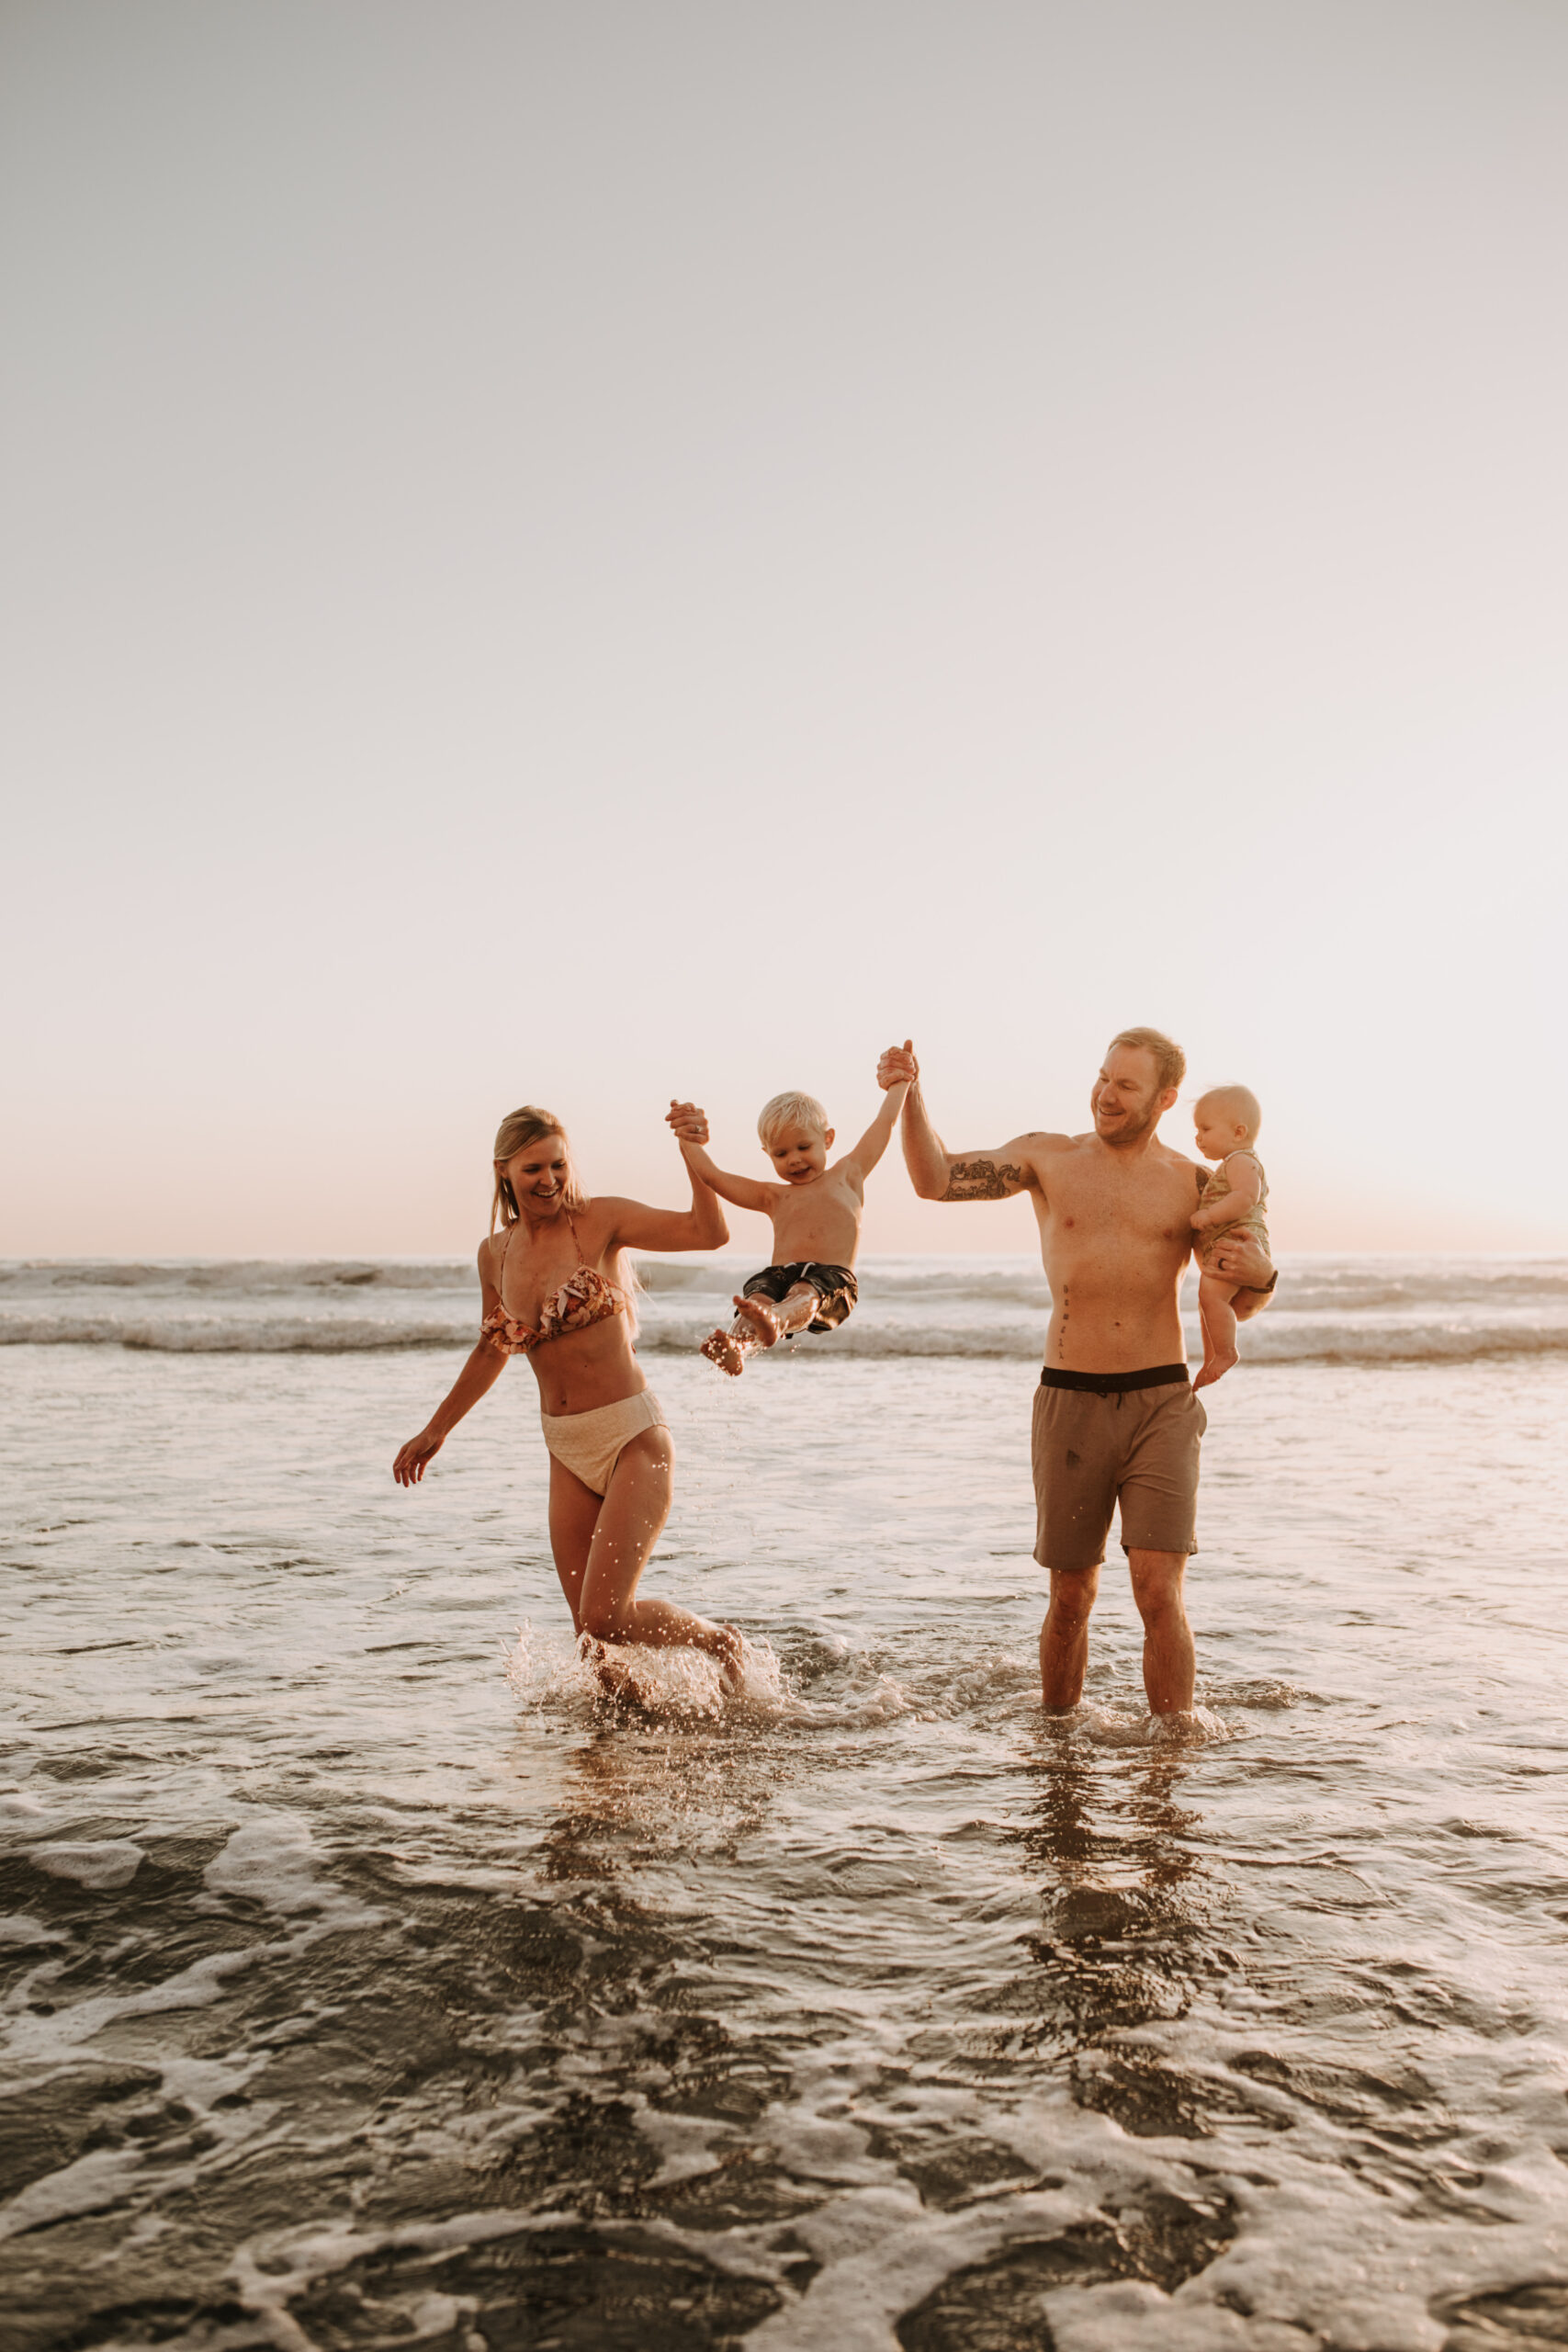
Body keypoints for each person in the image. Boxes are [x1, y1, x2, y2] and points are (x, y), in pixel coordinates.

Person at [877, 1030, 1277, 1720]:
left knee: (1158, 1590)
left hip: (1159, 1401)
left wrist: (1265, 1276)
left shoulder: (1192, 1182)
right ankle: (1056, 1741)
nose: (1105, 1094)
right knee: (1071, 1594)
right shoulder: (1048, 1156)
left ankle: (1169, 1755)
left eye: (1126, 1085)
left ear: (1164, 1098)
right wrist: (908, 1094)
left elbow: (1241, 1292)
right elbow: (933, 1180)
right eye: (1102, 1077)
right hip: (1069, 1400)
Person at [393, 1105, 744, 1689]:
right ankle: (629, 1743)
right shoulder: (495, 1253)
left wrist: (693, 1154)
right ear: (504, 1170)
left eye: (558, 1164)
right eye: (534, 1168)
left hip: (632, 1436)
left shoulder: (598, 1220)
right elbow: (491, 1348)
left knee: (607, 1617)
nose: (550, 1179)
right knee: (593, 1643)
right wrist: (436, 1431)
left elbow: (709, 1234)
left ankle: (718, 1641)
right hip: (565, 1449)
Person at [665, 1069, 911, 1375]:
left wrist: (900, 1083)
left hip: (831, 1281)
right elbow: (714, 1177)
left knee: (804, 1293)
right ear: (767, 1153)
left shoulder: (849, 1174)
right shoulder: (774, 1196)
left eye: (803, 1148)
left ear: (828, 1139)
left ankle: (777, 1319)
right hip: (781, 1274)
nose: (794, 1159)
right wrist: (688, 1140)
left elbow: (883, 1124)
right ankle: (736, 1346)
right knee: (756, 1299)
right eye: (781, 1153)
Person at [1190, 1085, 1269, 1391]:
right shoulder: (1231, 1163)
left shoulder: (1241, 1162)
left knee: (1212, 1298)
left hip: (1236, 1240)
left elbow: (1246, 1197)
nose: (1198, 1136)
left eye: (1206, 1128)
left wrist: (1209, 1216)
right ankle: (1215, 1357)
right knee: (1210, 1301)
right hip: (1230, 1241)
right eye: (1197, 1129)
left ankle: (1225, 1353)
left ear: (1238, 1132)